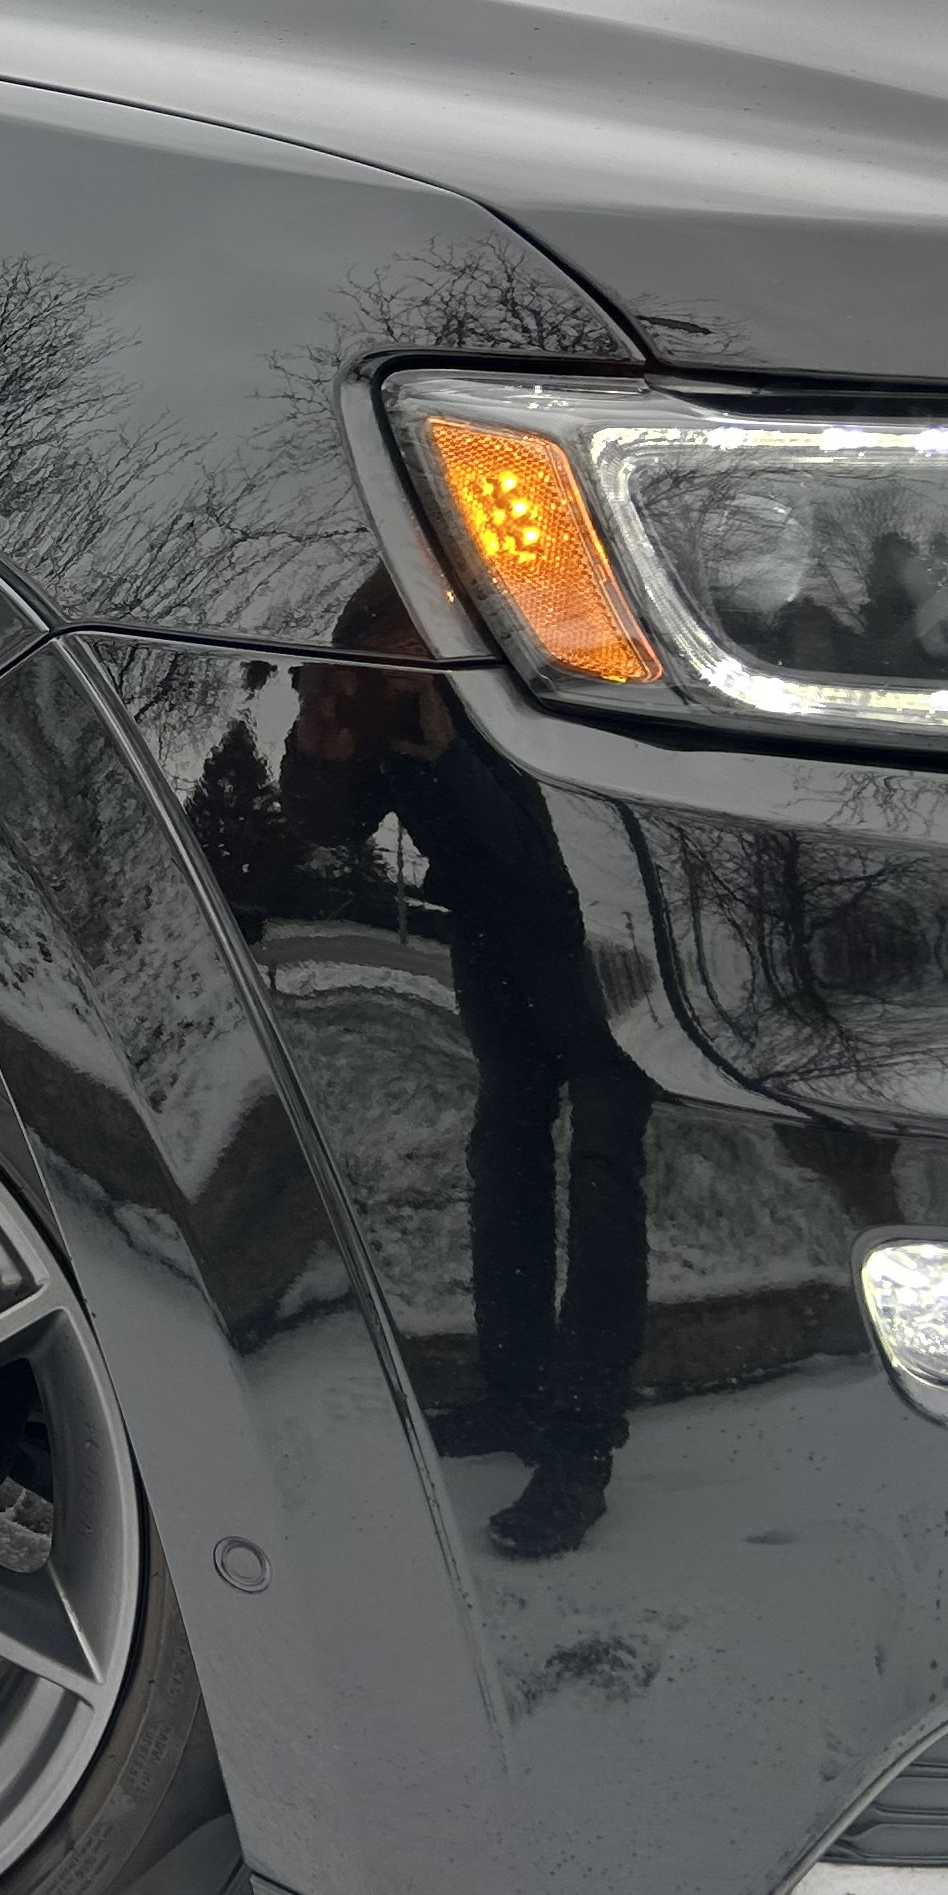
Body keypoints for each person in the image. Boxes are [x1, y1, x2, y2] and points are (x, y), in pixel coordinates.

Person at [282, 581, 654, 1559]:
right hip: (493, 945)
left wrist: (451, 761)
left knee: (606, 1171)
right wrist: (318, 749)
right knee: (506, 1156)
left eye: (406, 637)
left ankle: (580, 1446)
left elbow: (556, 851)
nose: (396, 651)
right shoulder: (384, 672)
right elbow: (329, 827)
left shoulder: (534, 652)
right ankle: (515, 1392)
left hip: (596, 948)